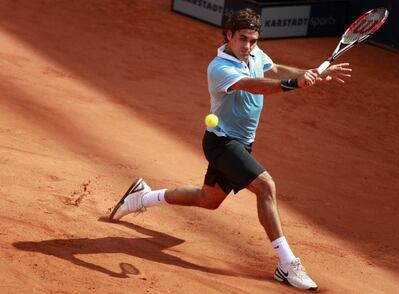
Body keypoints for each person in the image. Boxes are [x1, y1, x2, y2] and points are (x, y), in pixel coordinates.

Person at [109, 8, 351, 291]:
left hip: (243, 143)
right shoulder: (219, 67)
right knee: (266, 187)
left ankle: (143, 197)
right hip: (222, 144)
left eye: (253, 40)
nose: (248, 46)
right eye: (243, 39)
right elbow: (254, 85)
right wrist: (293, 84)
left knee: (207, 199)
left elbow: (271, 69)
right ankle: (287, 264)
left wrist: (310, 73)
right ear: (229, 35)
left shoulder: (255, 54)